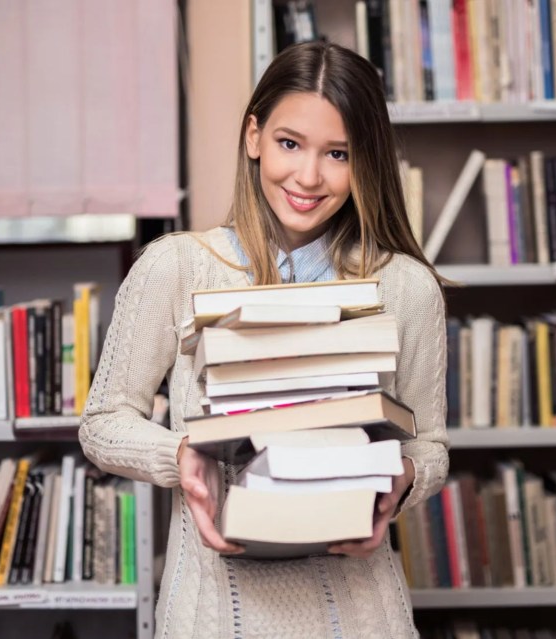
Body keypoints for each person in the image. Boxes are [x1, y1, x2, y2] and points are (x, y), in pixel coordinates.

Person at [79, 41, 449, 638]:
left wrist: (401, 479)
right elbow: (101, 422)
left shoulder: (407, 287)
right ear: (253, 136)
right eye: (289, 143)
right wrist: (182, 457)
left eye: (338, 154)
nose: (308, 176)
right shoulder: (175, 267)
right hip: (212, 616)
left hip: (360, 615)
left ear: (368, 163)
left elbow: (431, 444)